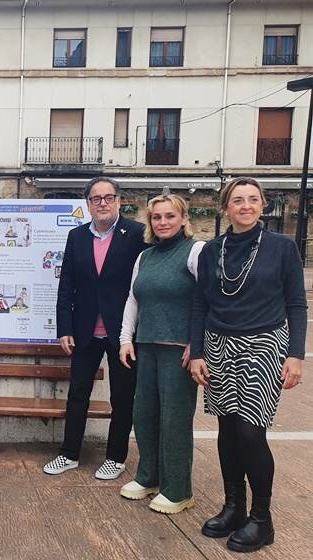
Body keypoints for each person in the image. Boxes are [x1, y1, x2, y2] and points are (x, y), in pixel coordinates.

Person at [189, 177, 305, 553]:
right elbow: (200, 303)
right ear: (226, 208)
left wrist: (296, 355)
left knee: (250, 432)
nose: (246, 205)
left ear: (262, 205)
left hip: (264, 343)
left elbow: (296, 304)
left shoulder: (282, 248)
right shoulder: (212, 251)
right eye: (238, 200)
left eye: (253, 199)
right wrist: (198, 352)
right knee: (226, 428)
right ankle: (233, 507)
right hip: (218, 342)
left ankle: (261, 518)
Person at [44, 177, 146, 480]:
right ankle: (69, 454)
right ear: (87, 204)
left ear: (118, 200)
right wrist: (65, 327)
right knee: (77, 394)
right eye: (96, 198)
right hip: (85, 329)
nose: (103, 203)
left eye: (108, 197)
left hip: (124, 333)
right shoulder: (76, 237)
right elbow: (67, 285)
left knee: (122, 397)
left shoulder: (137, 234)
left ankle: (115, 457)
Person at [118, 194, 204, 514]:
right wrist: (126, 338)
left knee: (174, 420)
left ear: (183, 219)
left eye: (170, 216)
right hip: (147, 346)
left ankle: (178, 490)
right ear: (150, 222)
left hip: (178, 350)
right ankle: (149, 476)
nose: (163, 222)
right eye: (157, 217)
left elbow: (207, 298)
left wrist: (198, 343)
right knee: (145, 415)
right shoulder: (146, 256)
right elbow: (133, 298)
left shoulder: (196, 251)